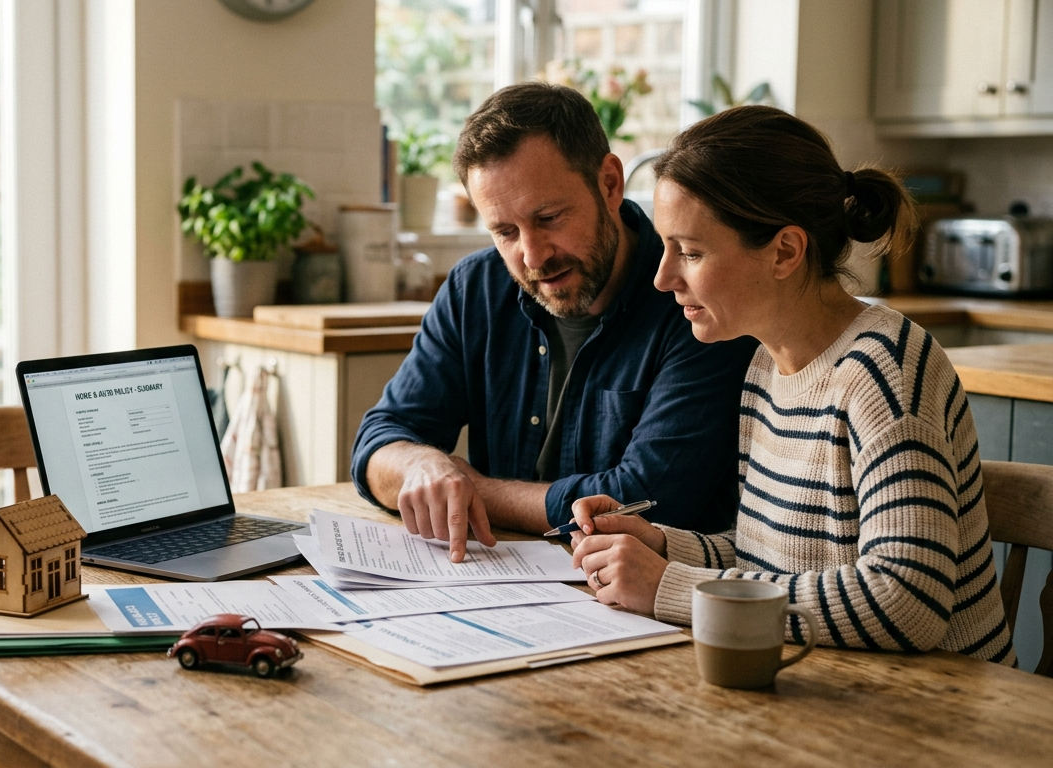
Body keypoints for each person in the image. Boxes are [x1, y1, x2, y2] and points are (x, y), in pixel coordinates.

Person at [569, 105, 1013, 664]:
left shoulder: (886, 370)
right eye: (665, 246)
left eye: (692, 251)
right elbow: (771, 561)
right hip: (835, 686)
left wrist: (671, 588)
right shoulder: (763, 368)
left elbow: (908, 600)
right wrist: (659, 544)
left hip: (945, 714)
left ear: (784, 251)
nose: (663, 277)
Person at [352, 82, 759, 563]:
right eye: (505, 232)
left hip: (651, 596)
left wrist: (475, 489)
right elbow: (379, 440)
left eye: (548, 218)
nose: (532, 255)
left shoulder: (694, 300)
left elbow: (646, 498)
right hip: (495, 585)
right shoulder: (475, 288)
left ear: (609, 183)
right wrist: (421, 464)